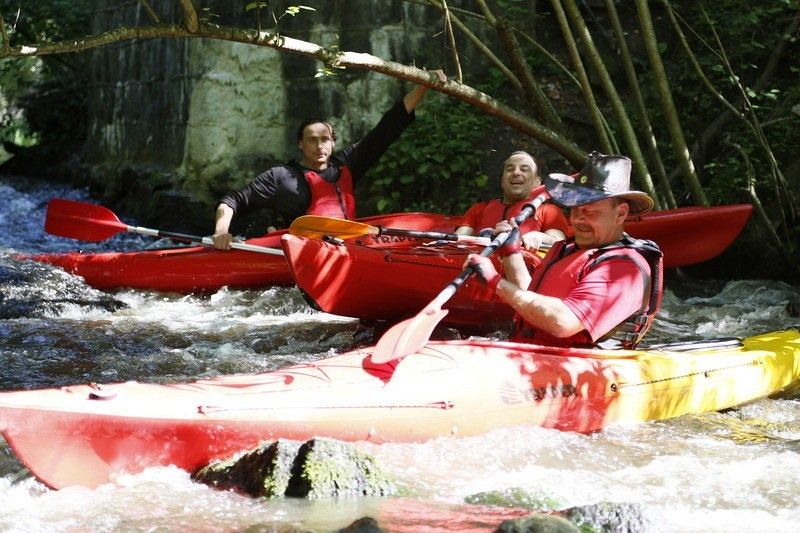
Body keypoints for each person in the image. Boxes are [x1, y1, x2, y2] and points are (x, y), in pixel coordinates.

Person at [212, 78, 441, 250]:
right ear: (300, 144)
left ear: (333, 143)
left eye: (325, 140)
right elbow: (233, 200)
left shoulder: (348, 164)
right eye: (312, 140)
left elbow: (387, 128)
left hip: (348, 247)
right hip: (302, 252)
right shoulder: (281, 176)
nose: (319, 146)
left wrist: (424, 85)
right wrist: (222, 231)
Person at [466, 151, 664, 349]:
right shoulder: (565, 249)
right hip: (533, 354)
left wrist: (496, 282)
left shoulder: (623, 268)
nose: (578, 219)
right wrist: (510, 253)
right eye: (575, 210)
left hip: (582, 367)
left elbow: (563, 322)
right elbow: (532, 299)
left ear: (621, 213)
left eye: (590, 211)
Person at [455, 151, 568, 252]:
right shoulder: (480, 208)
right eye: (510, 169)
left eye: (524, 170)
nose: (516, 173)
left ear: (537, 182)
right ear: (502, 181)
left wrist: (539, 237)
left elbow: (558, 241)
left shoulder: (549, 211)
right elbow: (454, 241)